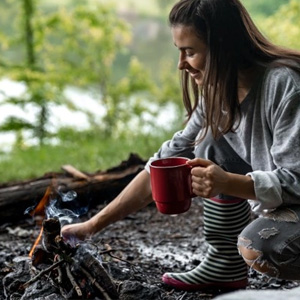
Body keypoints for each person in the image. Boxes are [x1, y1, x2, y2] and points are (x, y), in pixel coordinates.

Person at [61, 0, 300, 292]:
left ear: (223, 47)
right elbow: (163, 162)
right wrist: (91, 227)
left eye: (190, 52)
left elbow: (297, 180)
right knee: (207, 143)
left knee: (261, 246)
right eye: (179, 51)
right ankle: (223, 266)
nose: (181, 64)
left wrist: (228, 182)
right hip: (287, 205)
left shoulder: (285, 85)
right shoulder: (217, 93)